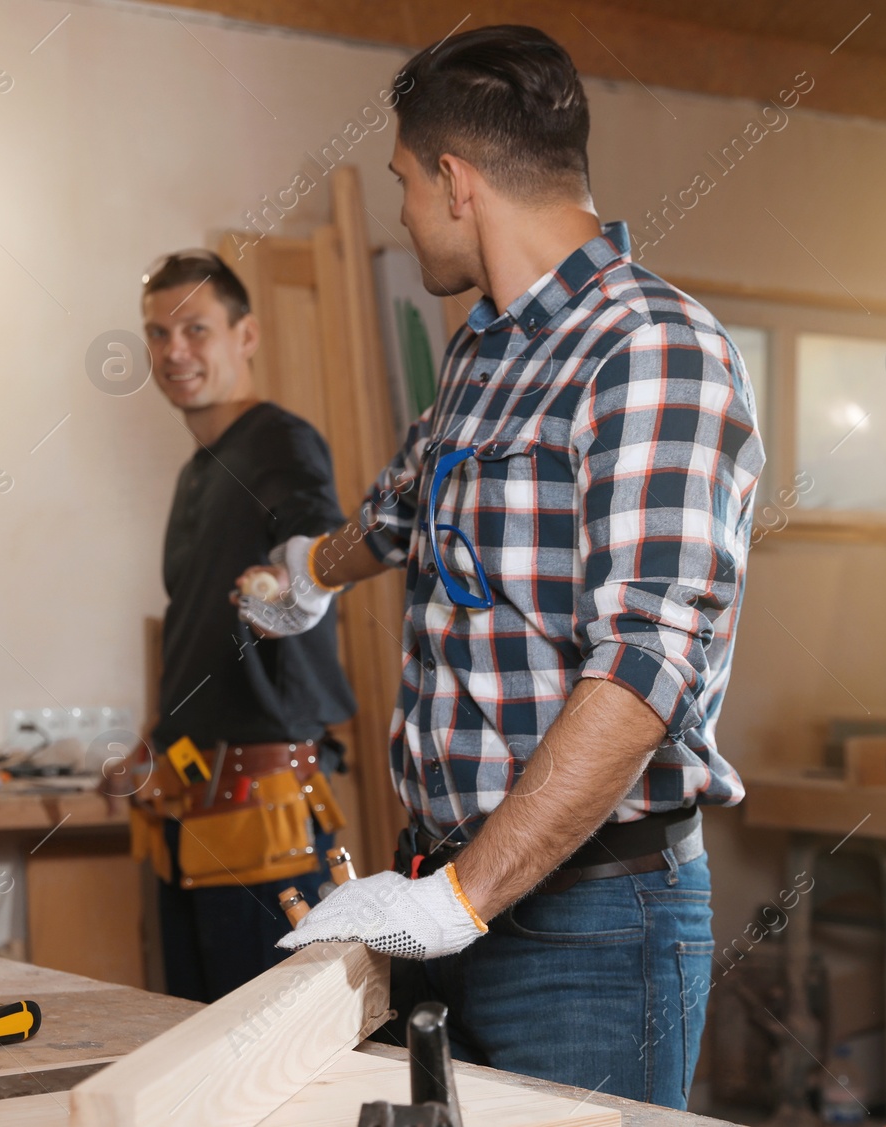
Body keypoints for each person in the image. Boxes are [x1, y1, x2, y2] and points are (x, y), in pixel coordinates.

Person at [233, 26, 764, 1110]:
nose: (400, 212)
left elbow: (643, 669)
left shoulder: (652, 348)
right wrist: (313, 570)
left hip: (592, 923)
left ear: (454, 181)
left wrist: (459, 898)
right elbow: (404, 505)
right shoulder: (486, 346)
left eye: (402, 183)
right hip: (456, 894)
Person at [120, 249, 357, 1004]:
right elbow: (201, 629)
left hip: (265, 821)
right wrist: (158, 733)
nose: (173, 351)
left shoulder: (281, 442)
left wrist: (291, 577)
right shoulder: (199, 468)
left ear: (246, 335)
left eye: (196, 328)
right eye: (158, 333)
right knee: (196, 1051)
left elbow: (316, 543)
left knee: (261, 1070)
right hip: (192, 806)